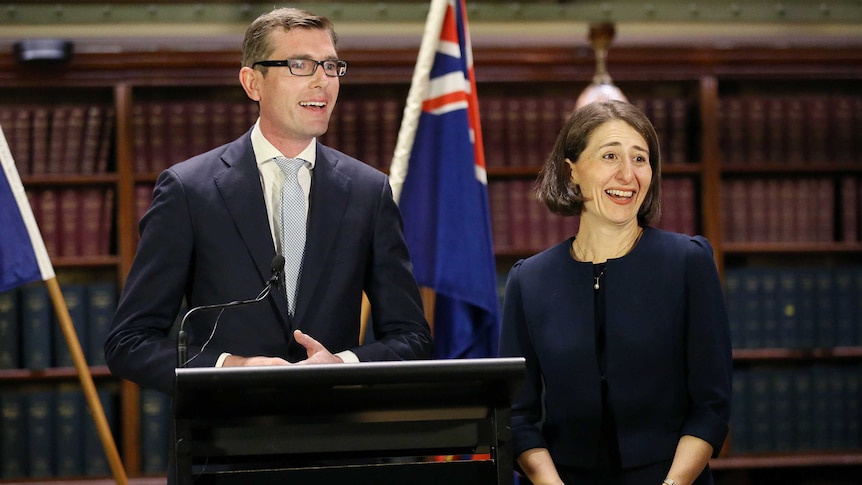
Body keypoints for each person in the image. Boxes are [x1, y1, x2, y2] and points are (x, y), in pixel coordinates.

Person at [105, 7, 433, 397]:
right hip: (226, 440)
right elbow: (129, 342)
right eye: (300, 65)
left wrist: (343, 364)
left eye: (331, 66)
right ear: (252, 82)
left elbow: (412, 337)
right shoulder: (189, 190)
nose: (322, 82)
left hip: (335, 436)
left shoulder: (368, 191)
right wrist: (230, 366)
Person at [498, 100, 731, 485]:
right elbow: (517, 415)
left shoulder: (687, 262)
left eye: (640, 159)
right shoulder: (530, 279)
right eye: (610, 156)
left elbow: (711, 406)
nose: (628, 174)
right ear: (571, 170)